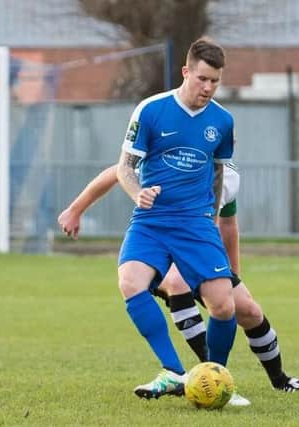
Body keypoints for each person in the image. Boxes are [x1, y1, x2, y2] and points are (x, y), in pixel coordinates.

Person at [58, 163, 299, 402]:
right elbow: (118, 170)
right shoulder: (173, 150)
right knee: (175, 281)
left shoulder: (228, 173)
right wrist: (76, 209)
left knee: (249, 310)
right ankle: (198, 375)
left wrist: (233, 275)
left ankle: (280, 380)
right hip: (161, 246)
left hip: (202, 248)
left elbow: (228, 225)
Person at [106, 37, 237, 398]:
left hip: (195, 223)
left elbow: (217, 171)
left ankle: (218, 376)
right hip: (152, 220)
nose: (208, 87)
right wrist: (138, 193)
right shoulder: (151, 110)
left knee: (223, 305)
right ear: (186, 72)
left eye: (215, 81)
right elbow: (124, 167)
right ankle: (174, 370)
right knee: (130, 282)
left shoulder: (222, 121)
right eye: (202, 79)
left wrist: (211, 214)